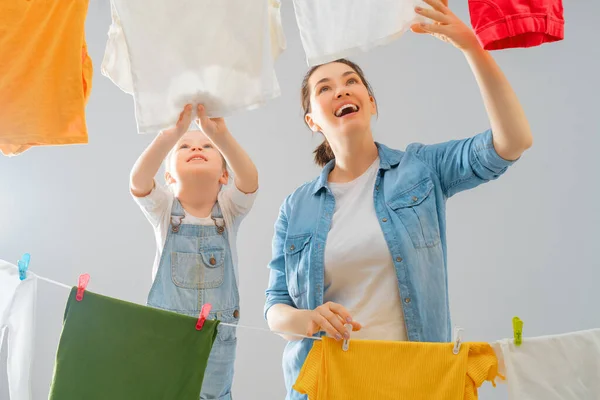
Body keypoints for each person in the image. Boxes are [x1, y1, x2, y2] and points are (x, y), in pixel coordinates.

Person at [263, 1, 533, 398]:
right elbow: (275, 309)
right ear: (312, 121)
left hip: (417, 382)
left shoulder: (421, 169)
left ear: (369, 102)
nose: (341, 89)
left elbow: (512, 142)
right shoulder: (296, 207)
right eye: (325, 88)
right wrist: (308, 318)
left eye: (351, 80)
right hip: (331, 385)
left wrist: (472, 47)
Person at [130, 104, 258, 399]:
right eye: (184, 146)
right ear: (170, 178)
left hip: (217, 339)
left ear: (224, 176)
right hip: (166, 335)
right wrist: (168, 136)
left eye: (207, 147)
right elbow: (138, 182)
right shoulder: (164, 210)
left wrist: (222, 136)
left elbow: (249, 181)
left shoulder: (229, 211)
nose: (195, 147)